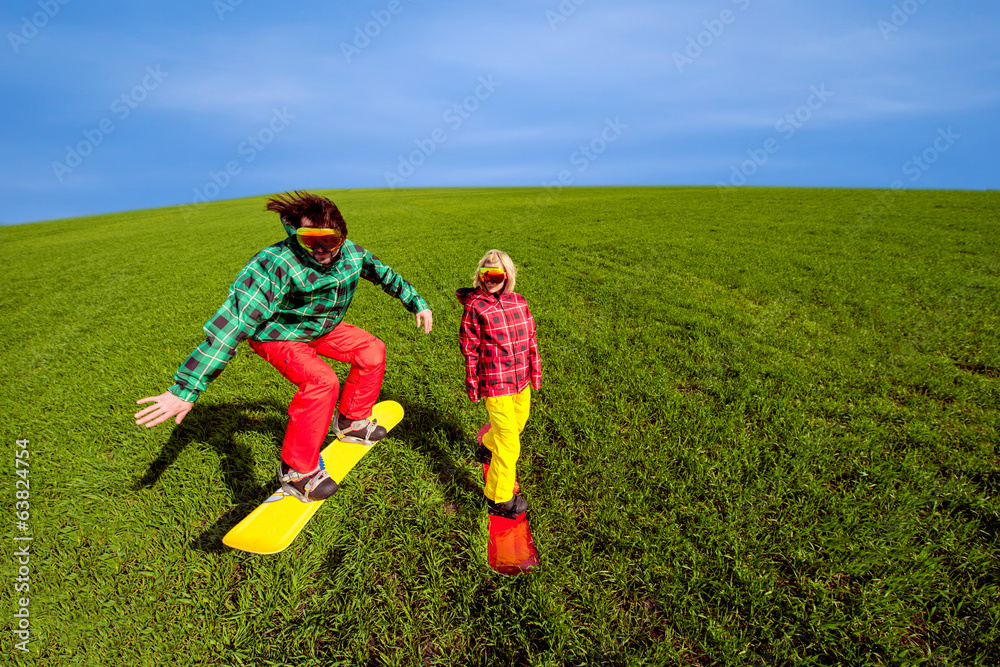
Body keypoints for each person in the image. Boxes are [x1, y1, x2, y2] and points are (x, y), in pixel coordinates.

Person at [135, 191, 433, 502]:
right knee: (322, 381)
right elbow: (232, 325)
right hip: (278, 335)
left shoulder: (354, 255)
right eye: (308, 240)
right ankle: (296, 471)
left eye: (327, 240)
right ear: (295, 235)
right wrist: (184, 390)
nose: (318, 250)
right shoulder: (274, 264)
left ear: (341, 234)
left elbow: (385, 274)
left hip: (320, 327)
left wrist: (417, 303)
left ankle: (350, 420)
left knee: (372, 350)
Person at [456, 249, 541, 519]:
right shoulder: (476, 306)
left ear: (508, 276)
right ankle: (499, 498)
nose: (490, 279)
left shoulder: (519, 302)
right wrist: (473, 384)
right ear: (480, 275)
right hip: (496, 383)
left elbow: (531, 340)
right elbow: (470, 349)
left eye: (496, 274)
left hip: (522, 380)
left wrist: (535, 374)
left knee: (518, 425)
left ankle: (487, 446)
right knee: (510, 443)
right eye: (485, 273)